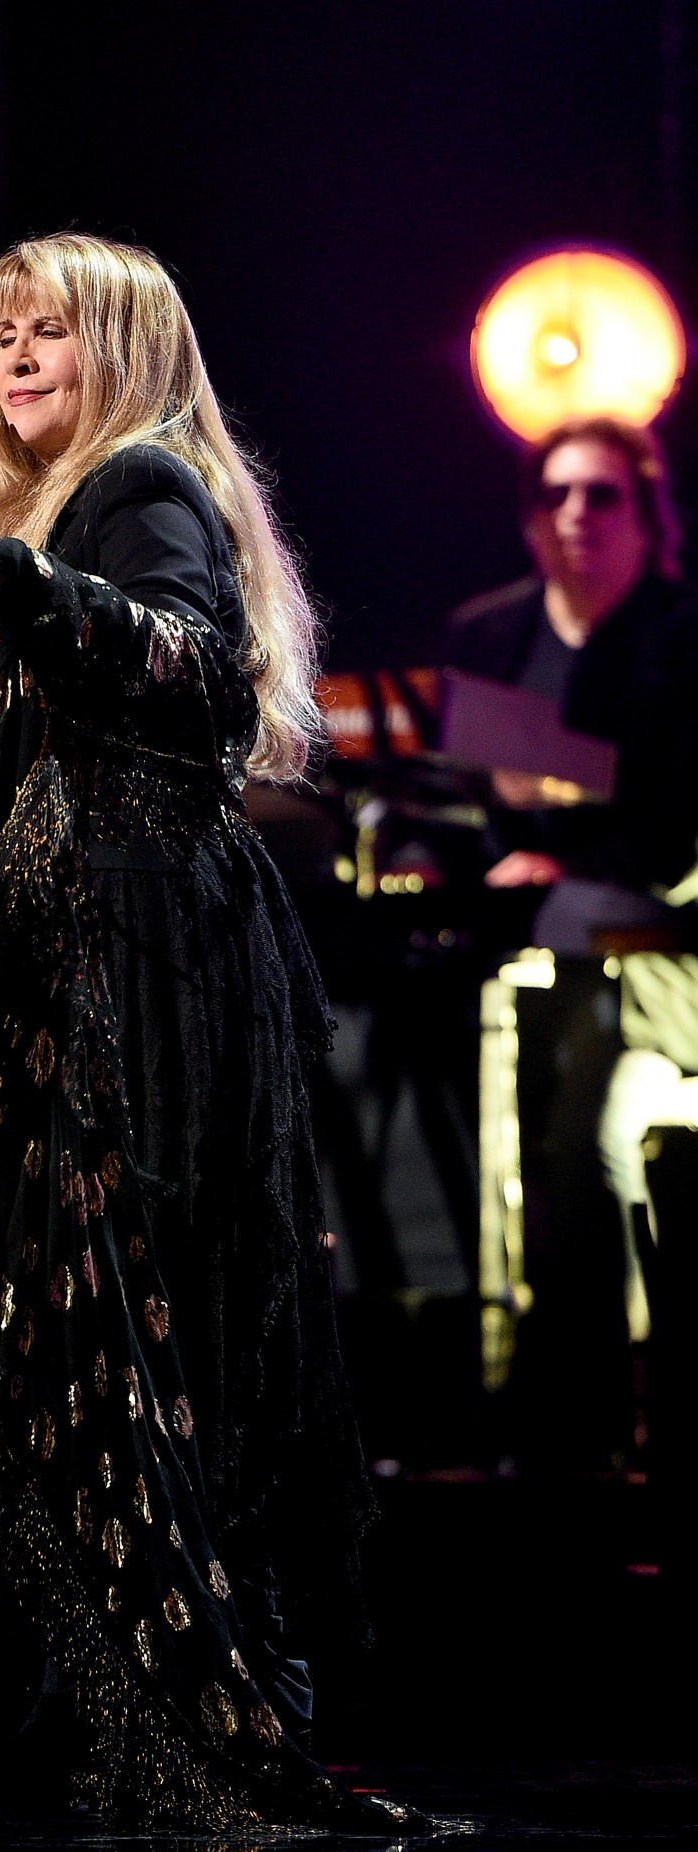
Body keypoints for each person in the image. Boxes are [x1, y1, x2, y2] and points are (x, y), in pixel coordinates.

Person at [0, 232, 414, 1835]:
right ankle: (82, 1718)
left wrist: (25, 585)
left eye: (47, 331)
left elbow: (198, 676)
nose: (10, 359)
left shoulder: (143, 490)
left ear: (121, 350)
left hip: (137, 955)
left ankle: (163, 1718)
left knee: (124, 1322)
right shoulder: (33, 518)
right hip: (64, 949)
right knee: (47, 1334)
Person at [444, 417, 698, 1458]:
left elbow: (671, 826)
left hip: (648, 943)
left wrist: (576, 822)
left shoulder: (680, 631)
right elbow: (463, 796)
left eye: (603, 495)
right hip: (508, 932)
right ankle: (490, 1388)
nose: (577, 516)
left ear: (647, 515)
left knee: (582, 1140)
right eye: (557, 495)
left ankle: (595, 1414)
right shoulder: (492, 631)